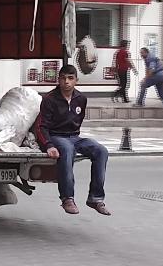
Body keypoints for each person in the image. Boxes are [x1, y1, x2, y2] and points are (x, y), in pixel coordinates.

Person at [35, 65, 111, 216]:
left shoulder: (81, 99)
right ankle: (67, 198)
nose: (66, 82)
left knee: (101, 151)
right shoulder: (49, 99)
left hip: (74, 137)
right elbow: (41, 126)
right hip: (56, 136)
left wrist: (74, 138)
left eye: (70, 78)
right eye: (63, 78)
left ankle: (95, 198)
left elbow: (78, 120)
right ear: (59, 80)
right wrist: (48, 145)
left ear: (76, 80)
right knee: (67, 150)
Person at [134, 47, 163, 117]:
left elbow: (152, 70)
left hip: (157, 75)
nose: (141, 54)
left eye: (142, 53)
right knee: (162, 95)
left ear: (146, 52)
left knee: (143, 85)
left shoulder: (150, 58)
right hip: (162, 76)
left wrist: (145, 79)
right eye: (140, 53)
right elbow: (148, 70)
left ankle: (139, 102)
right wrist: (146, 77)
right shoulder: (148, 58)